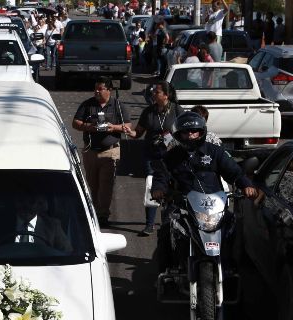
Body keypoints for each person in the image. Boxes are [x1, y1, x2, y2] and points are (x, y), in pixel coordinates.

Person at [150, 111, 257, 270]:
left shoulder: (215, 152)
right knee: (167, 228)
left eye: (194, 131)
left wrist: (246, 185)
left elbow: (234, 172)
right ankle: (165, 272)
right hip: (183, 205)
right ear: (179, 134)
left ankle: (239, 269)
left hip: (215, 205)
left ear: (202, 131)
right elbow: (161, 176)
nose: (191, 135)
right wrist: (159, 189)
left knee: (236, 227)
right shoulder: (171, 156)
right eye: (186, 132)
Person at [126, 80, 185, 236]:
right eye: (153, 92)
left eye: (156, 92)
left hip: (171, 156)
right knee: (152, 186)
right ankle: (149, 224)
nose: (153, 94)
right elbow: (138, 133)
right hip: (151, 155)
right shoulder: (148, 112)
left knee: (170, 187)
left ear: (166, 95)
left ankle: (167, 222)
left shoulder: (177, 110)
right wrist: (129, 132)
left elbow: (185, 132)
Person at [72, 77, 132, 226]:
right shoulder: (87, 105)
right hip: (90, 151)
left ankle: (103, 216)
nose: (96, 92)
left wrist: (114, 128)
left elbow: (128, 126)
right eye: (95, 89)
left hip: (110, 151)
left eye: (100, 89)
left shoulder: (118, 106)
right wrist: (90, 127)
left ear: (109, 90)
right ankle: (94, 212)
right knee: (93, 184)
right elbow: (75, 123)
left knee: (106, 185)